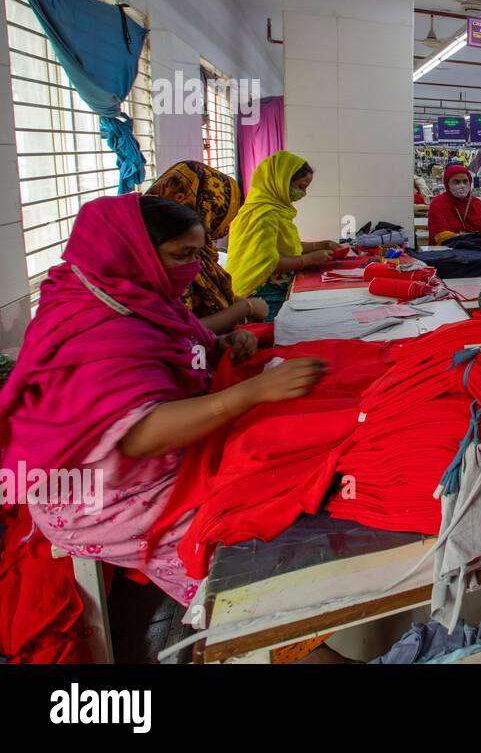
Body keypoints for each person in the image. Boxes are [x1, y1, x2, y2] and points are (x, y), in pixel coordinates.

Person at [0, 194, 326, 605]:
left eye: (196, 254)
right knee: (248, 547)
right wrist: (251, 392)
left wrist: (221, 344)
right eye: (181, 255)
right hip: (100, 495)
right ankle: (257, 630)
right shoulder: (96, 327)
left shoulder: (135, 296)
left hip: (137, 463)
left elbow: (183, 348)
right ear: (130, 250)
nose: (192, 268)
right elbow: (140, 436)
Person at [145, 161, 269, 333]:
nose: (225, 226)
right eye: (222, 213)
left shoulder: (197, 250)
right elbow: (178, 329)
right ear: (207, 208)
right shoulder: (167, 255)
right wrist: (245, 308)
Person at [226, 152, 340, 317]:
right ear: (282, 182)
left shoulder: (277, 210)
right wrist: (308, 259)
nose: (304, 193)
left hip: (271, 285)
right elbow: (268, 262)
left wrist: (323, 245)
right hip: (257, 293)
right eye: (301, 187)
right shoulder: (263, 214)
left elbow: (285, 247)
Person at [426, 164, 481, 245]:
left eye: (465, 181)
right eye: (456, 182)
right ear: (447, 183)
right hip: (446, 252)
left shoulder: (477, 205)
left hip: (477, 251)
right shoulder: (438, 204)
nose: (462, 185)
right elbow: (440, 235)